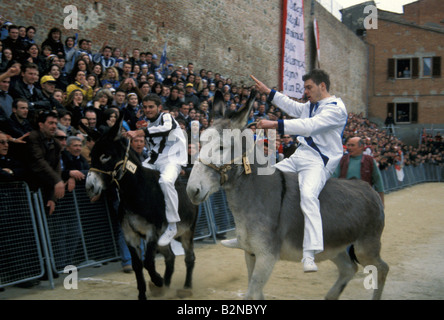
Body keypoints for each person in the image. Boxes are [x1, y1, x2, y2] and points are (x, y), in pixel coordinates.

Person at [222, 70, 348, 273]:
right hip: (300, 155)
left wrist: (275, 124)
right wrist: (269, 92)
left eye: (309, 87)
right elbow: (293, 107)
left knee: (308, 195)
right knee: (260, 179)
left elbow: (309, 126)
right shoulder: (311, 105)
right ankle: (244, 236)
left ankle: (310, 252)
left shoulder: (336, 109)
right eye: (305, 88)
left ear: (322, 86)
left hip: (319, 162)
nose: (305, 91)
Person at [126, 93, 187, 246]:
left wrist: (139, 132)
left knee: (165, 181)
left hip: (172, 158)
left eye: (151, 107)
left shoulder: (166, 117)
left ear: (159, 107)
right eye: (145, 107)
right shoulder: (147, 124)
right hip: (155, 160)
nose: (148, 109)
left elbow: (166, 128)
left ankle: (173, 225)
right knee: (134, 174)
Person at [27, 110, 65, 215]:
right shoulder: (33, 137)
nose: (54, 126)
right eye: (50, 123)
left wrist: (52, 198)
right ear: (41, 125)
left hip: (46, 188)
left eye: (56, 124)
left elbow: (57, 168)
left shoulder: (56, 143)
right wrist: (57, 181)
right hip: (30, 187)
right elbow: (38, 161)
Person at [333, 137, 385, 206]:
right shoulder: (343, 160)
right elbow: (334, 177)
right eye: (348, 145)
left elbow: (378, 181)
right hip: (346, 199)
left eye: (352, 145)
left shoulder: (370, 160)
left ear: (361, 147)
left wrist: (381, 201)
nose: (349, 148)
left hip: (365, 199)